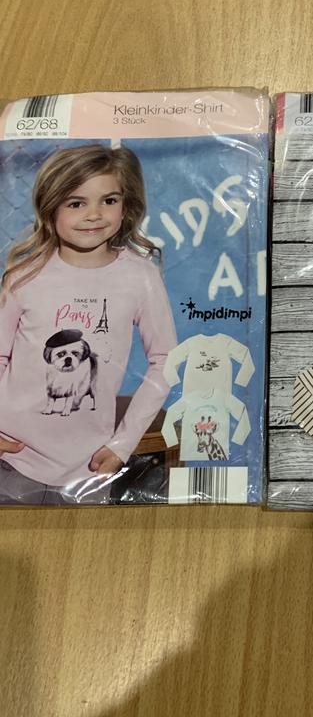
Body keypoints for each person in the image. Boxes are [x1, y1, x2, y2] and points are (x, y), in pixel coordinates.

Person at [0, 144, 177, 504]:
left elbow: (165, 361)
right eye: (76, 203)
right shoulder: (23, 276)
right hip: (12, 458)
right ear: (50, 208)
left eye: (109, 200)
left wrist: (123, 443)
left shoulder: (140, 276)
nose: (94, 214)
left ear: (126, 205)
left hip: (91, 466)